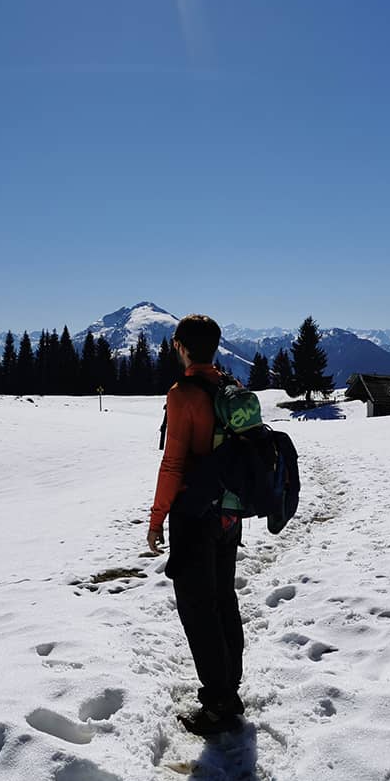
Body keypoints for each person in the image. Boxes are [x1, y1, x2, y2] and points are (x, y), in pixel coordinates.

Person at [147, 314, 246, 737]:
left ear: (180, 346)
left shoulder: (183, 393)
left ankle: (218, 703)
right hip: (229, 513)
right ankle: (229, 688)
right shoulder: (230, 386)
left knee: (197, 607)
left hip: (194, 515)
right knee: (223, 598)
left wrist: (156, 520)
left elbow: (173, 463)